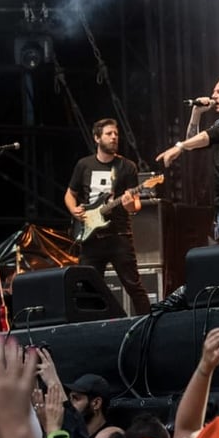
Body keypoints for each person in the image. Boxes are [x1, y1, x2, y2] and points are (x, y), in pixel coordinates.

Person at [155, 78, 219, 244]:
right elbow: (194, 142)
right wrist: (196, 112)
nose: (214, 96)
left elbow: (207, 137)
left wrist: (179, 146)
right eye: (213, 92)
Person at [65, 118, 150, 316]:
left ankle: (148, 323)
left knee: (133, 286)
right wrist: (73, 210)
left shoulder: (127, 167)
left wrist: (130, 205)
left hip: (119, 236)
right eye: (109, 134)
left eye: (116, 134)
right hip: (90, 238)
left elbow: (135, 203)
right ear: (97, 138)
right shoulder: (83, 165)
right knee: (87, 289)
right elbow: (70, 193)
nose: (114, 137)